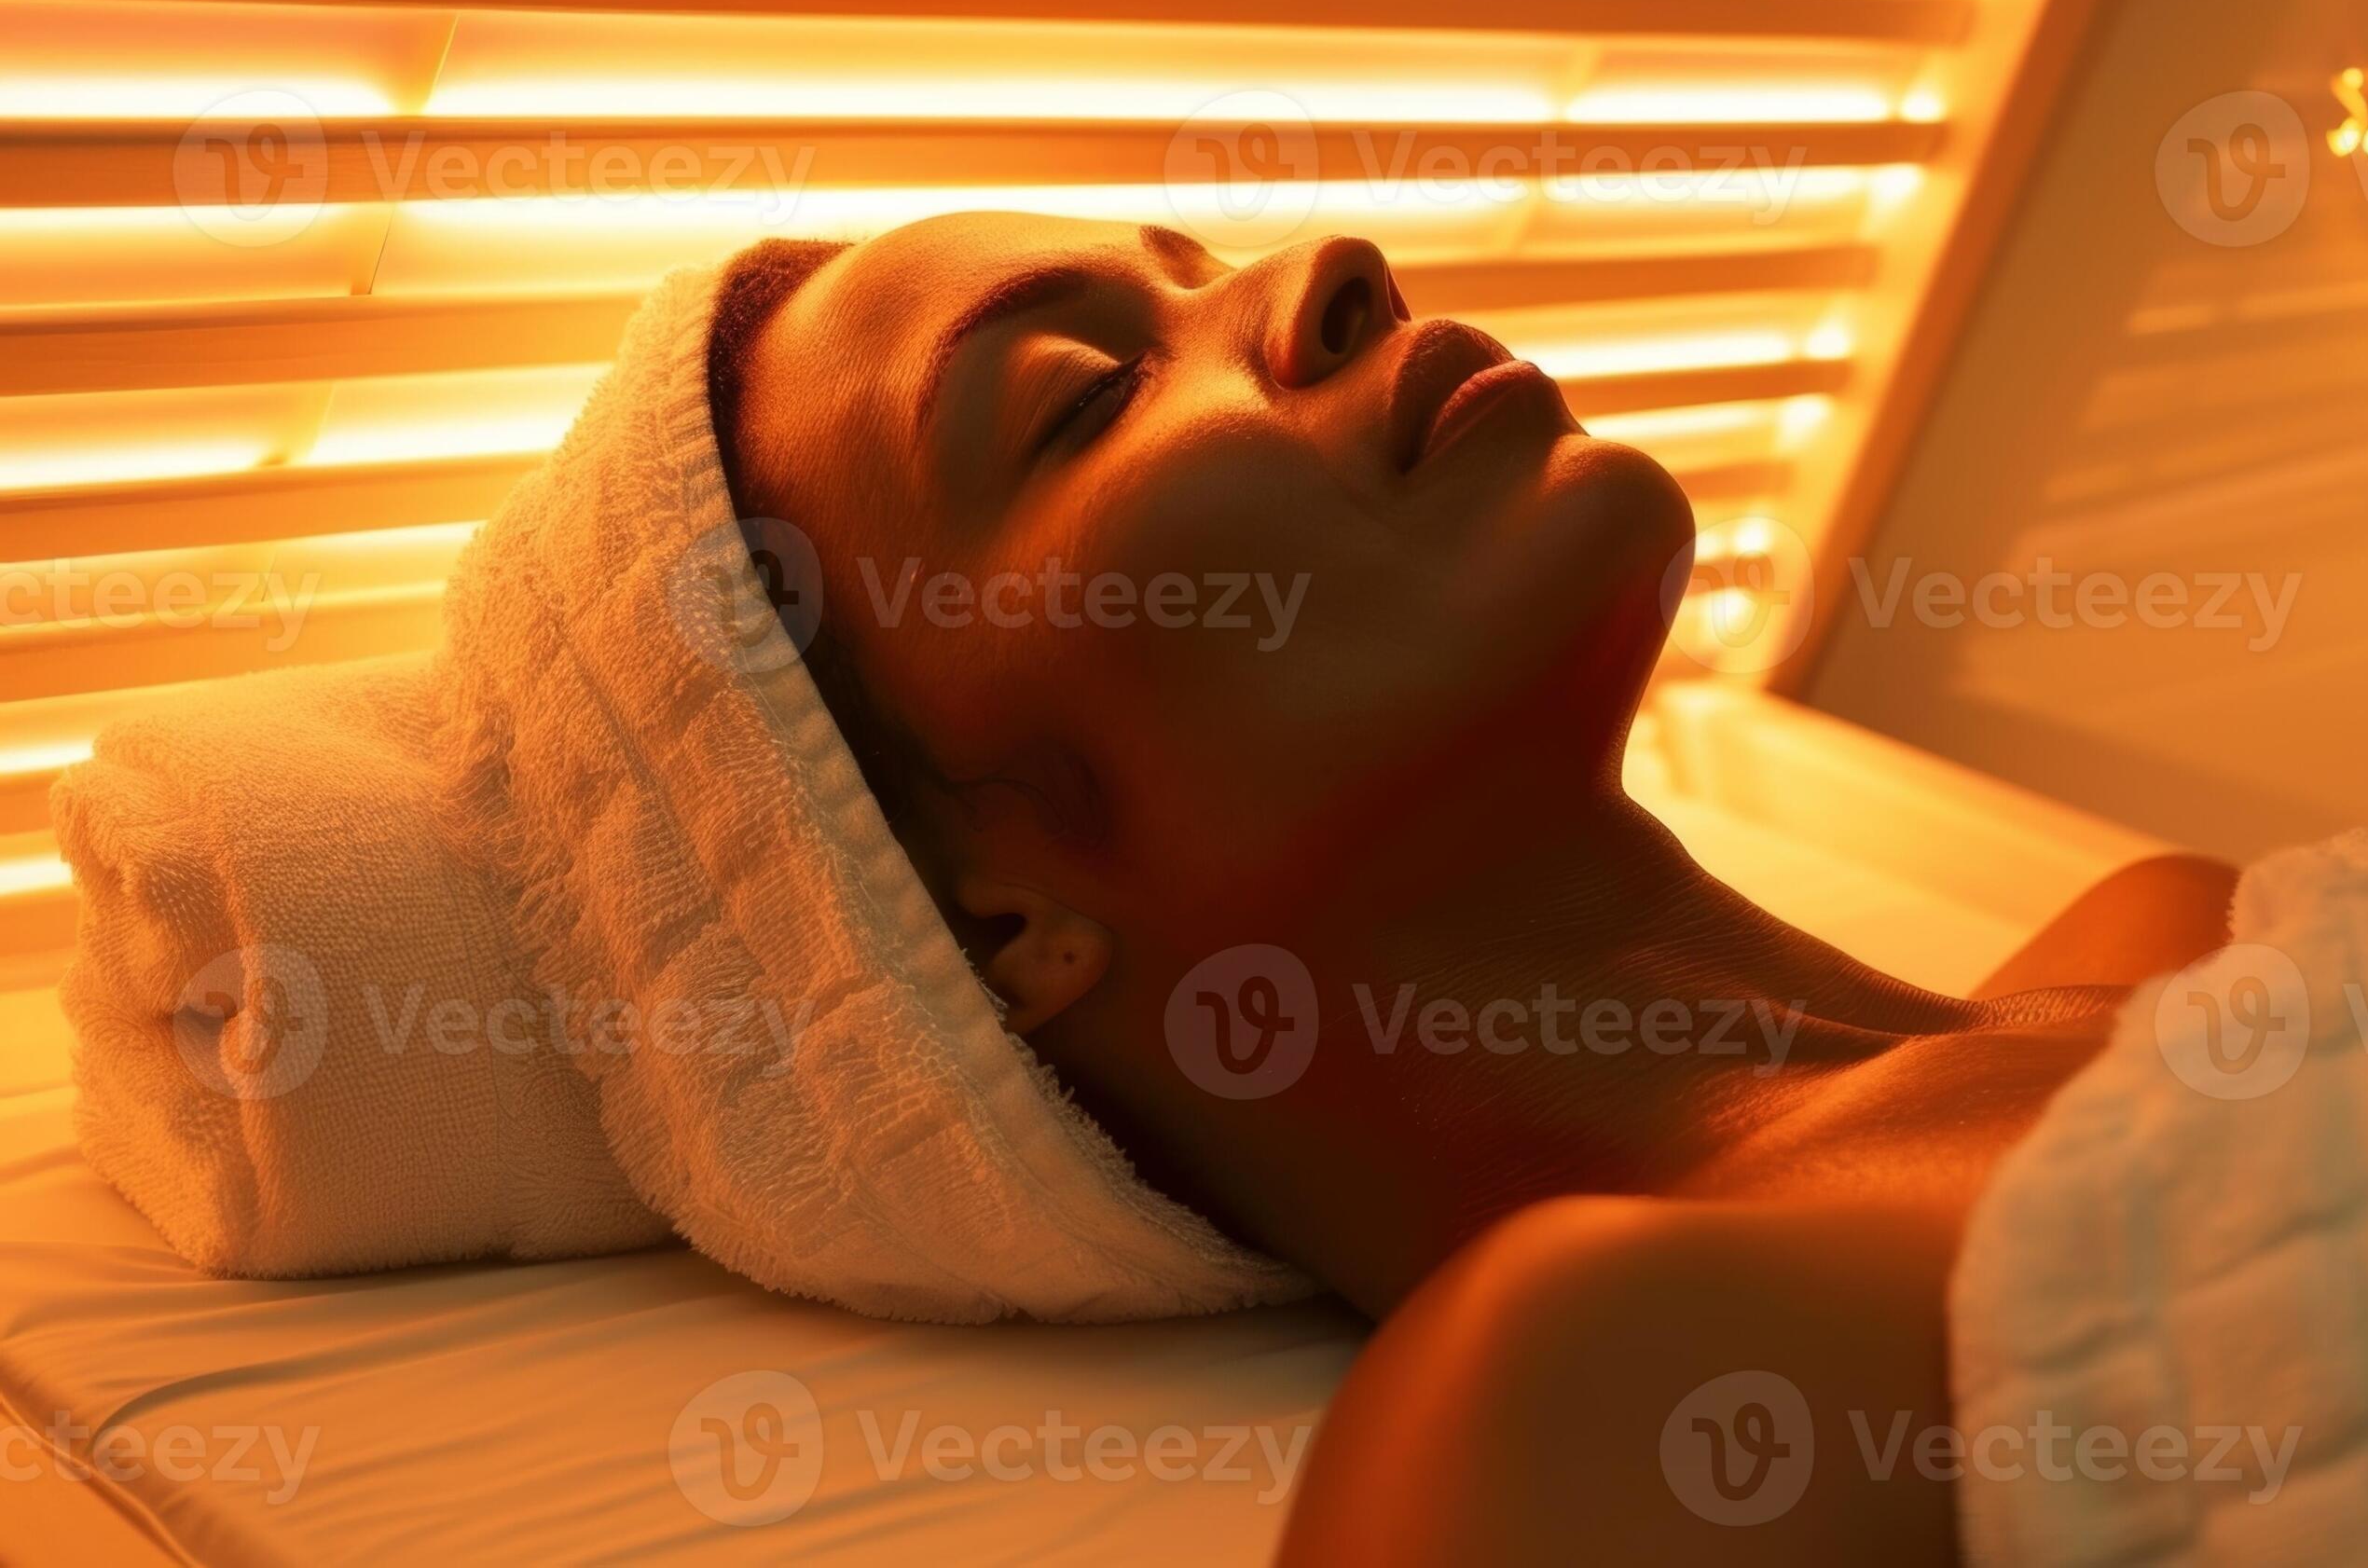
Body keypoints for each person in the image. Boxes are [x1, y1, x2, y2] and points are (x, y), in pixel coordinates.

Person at [703, 211, 2237, 1561]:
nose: (1332, 267)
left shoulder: (2192, 933)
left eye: (1203, 273)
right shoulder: (1610, 1403)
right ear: (995, 930)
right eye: (1088, 395)